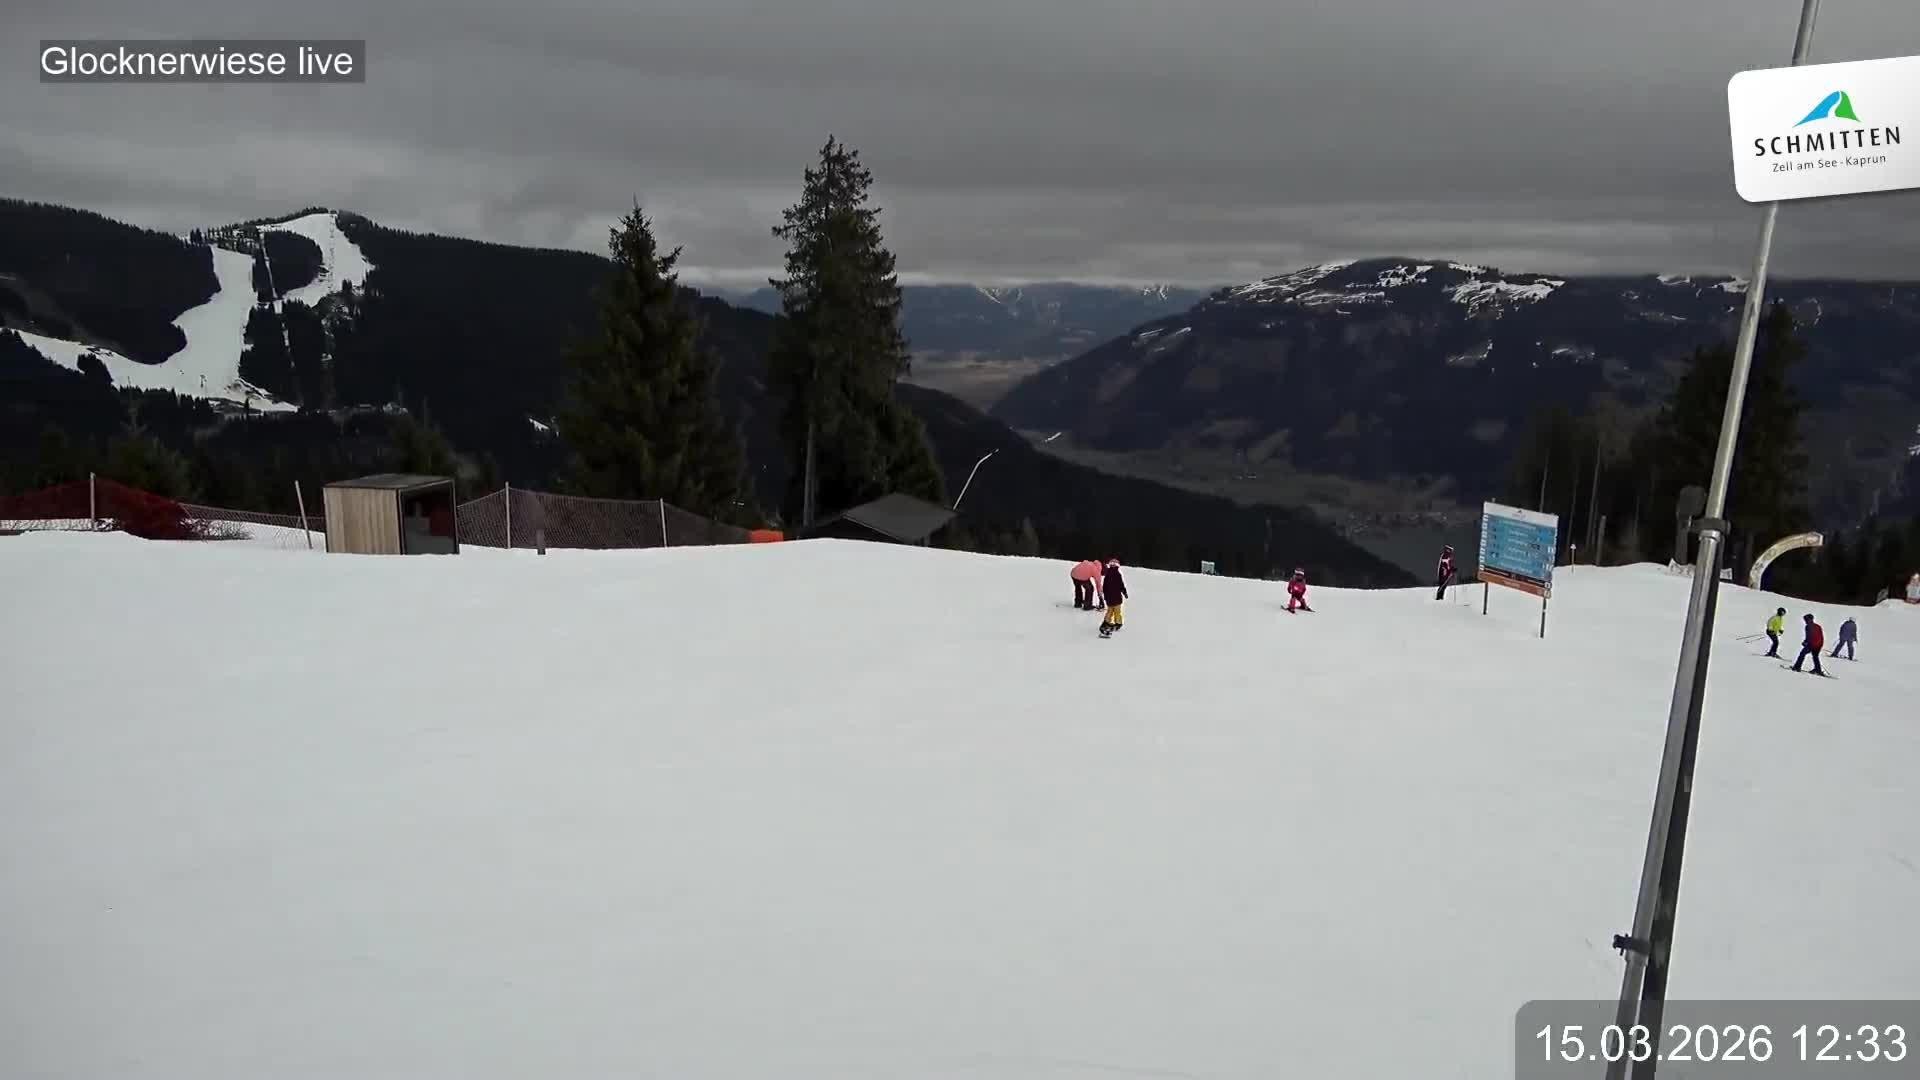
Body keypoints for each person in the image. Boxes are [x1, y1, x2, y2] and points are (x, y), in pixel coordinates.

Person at [1098, 557, 1129, 638]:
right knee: (1117, 611)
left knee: (1110, 610)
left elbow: (1104, 587)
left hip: (1109, 598)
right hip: (1117, 598)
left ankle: (1106, 621)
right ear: (1117, 566)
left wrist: (1105, 596)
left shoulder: (1107, 574)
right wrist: (1124, 592)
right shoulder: (1118, 575)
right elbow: (1121, 585)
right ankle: (1118, 623)